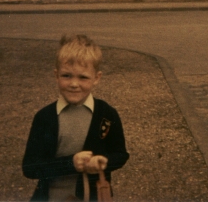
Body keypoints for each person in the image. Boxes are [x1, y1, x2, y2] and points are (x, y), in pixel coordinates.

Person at [22, 35, 129, 201]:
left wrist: (103, 161)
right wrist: (70, 163)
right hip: (51, 197)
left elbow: (120, 154)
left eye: (83, 77)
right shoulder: (44, 117)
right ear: (56, 75)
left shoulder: (106, 114)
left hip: (92, 196)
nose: (74, 84)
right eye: (66, 76)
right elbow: (30, 168)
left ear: (96, 78)